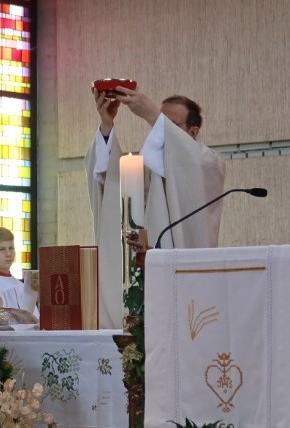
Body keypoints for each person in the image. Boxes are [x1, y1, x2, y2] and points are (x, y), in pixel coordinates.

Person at [85, 85, 226, 329]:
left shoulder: (207, 163)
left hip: (179, 291)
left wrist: (151, 114)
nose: (159, 127)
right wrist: (106, 126)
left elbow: (191, 161)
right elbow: (109, 183)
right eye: (159, 122)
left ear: (193, 132)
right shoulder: (142, 165)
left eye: (168, 124)